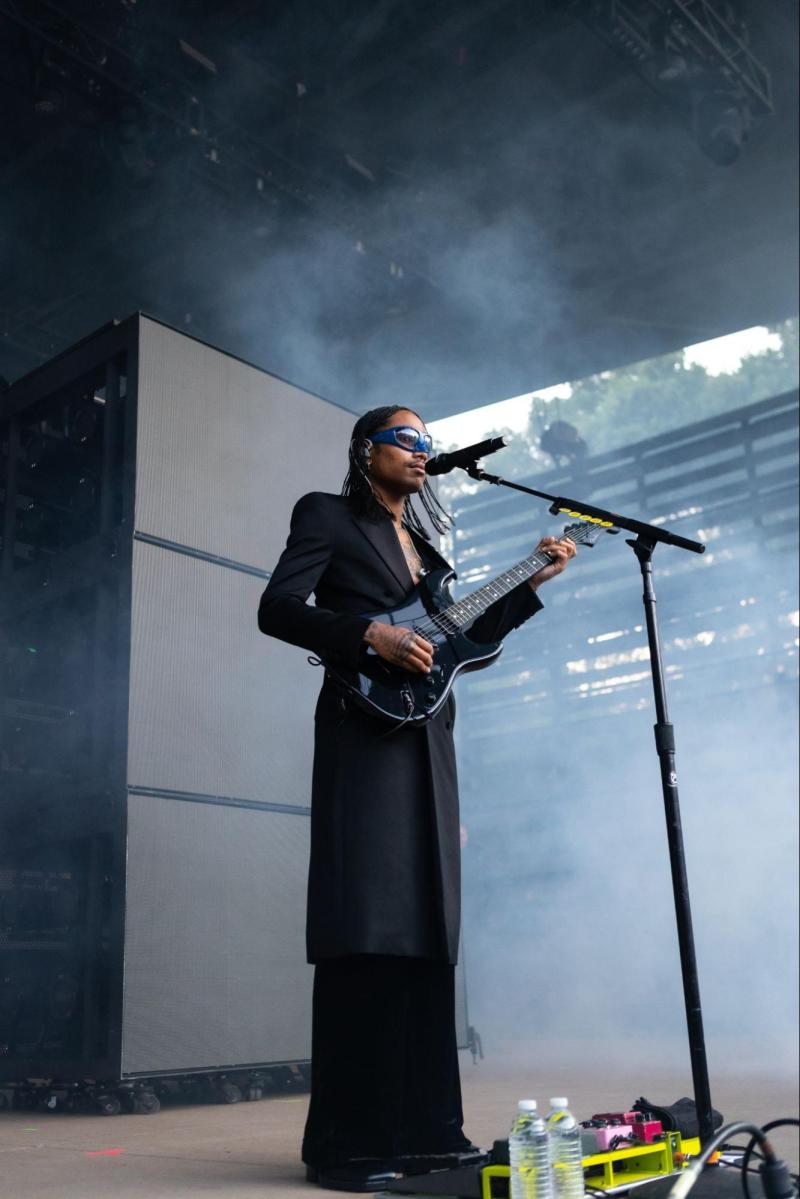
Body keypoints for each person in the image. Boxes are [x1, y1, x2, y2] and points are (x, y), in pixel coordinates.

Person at [257, 405, 575, 1193]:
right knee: (369, 922)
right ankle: (351, 1143)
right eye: (407, 437)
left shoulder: (429, 549)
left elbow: (459, 645)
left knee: (430, 930)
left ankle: (429, 1131)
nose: (422, 449)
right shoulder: (326, 515)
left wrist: (529, 581)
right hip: (364, 735)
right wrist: (372, 636)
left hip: (428, 747)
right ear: (367, 450)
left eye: (428, 441)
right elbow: (278, 609)